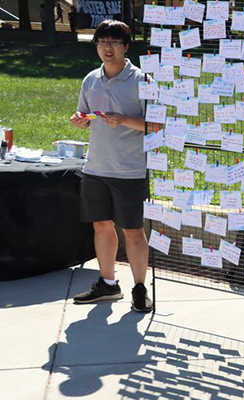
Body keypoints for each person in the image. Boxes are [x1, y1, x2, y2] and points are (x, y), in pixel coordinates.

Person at [69, 20, 153, 313]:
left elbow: (157, 125)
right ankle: (107, 284)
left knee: (132, 230)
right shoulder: (90, 79)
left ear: (126, 47)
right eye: (101, 42)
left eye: (114, 42)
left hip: (129, 170)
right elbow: (85, 113)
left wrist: (124, 119)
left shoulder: (143, 81)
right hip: (96, 167)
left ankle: (140, 289)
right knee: (102, 226)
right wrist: (80, 119)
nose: (107, 48)